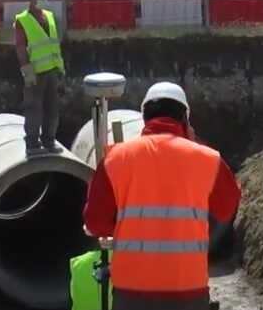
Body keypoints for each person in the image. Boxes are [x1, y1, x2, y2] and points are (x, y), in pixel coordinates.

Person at [83, 82, 242, 310]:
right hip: (188, 292)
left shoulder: (116, 159)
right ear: (185, 117)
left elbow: (96, 223)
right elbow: (227, 208)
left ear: (145, 117)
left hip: (132, 294)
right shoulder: (208, 159)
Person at [13, 0, 65, 156]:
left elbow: (54, 44)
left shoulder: (49, 16)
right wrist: (27, 70)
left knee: (52, 108)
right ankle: (32, 143)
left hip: (52, 70)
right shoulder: (23, 20)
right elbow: (20, 47)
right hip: (36, 72)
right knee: (34, 108)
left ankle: (49, 141)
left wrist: (61, 68)